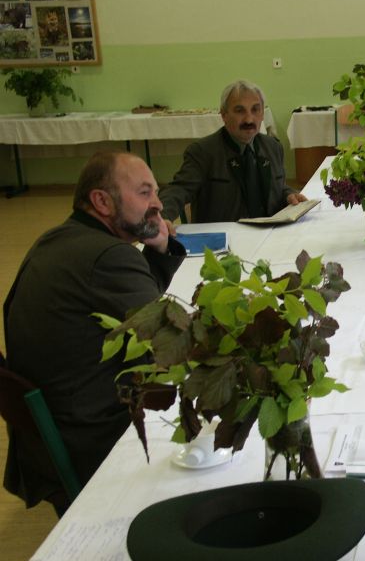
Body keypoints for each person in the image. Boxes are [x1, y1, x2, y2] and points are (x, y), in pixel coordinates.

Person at [3, 151, 186, 513]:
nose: (158, 204)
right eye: (144, 193)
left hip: (50, 434)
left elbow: (134, 308)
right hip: (93, 436)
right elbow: (171, 340)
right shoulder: (108, 257)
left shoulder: (58, 239)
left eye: (156, 192)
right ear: (102, 201)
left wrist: (160, 249)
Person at [158, 79, 306, 225]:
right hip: (224, 238)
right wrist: (161, 217)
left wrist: (288, 194)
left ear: (262, 114)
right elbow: (178, 190)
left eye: (255, 110)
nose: (249, 119)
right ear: (224, 115)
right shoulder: (203, 152)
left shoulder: (273, 147)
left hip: (270, 233)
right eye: (239, 111)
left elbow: (278, 187)